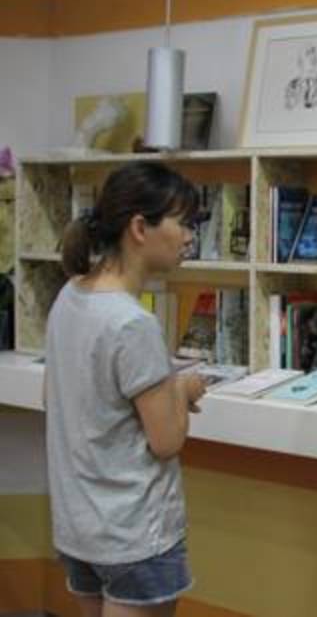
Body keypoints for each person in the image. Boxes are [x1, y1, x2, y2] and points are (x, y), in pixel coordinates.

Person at [44, 160, 206, 617]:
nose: (190, 235)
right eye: (182, 222)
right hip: (135, 535)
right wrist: (184, 387)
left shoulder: (70, 295)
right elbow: (167, 439)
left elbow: (59, 399)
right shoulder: (133, 323)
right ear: (140, 227)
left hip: (80, 531)